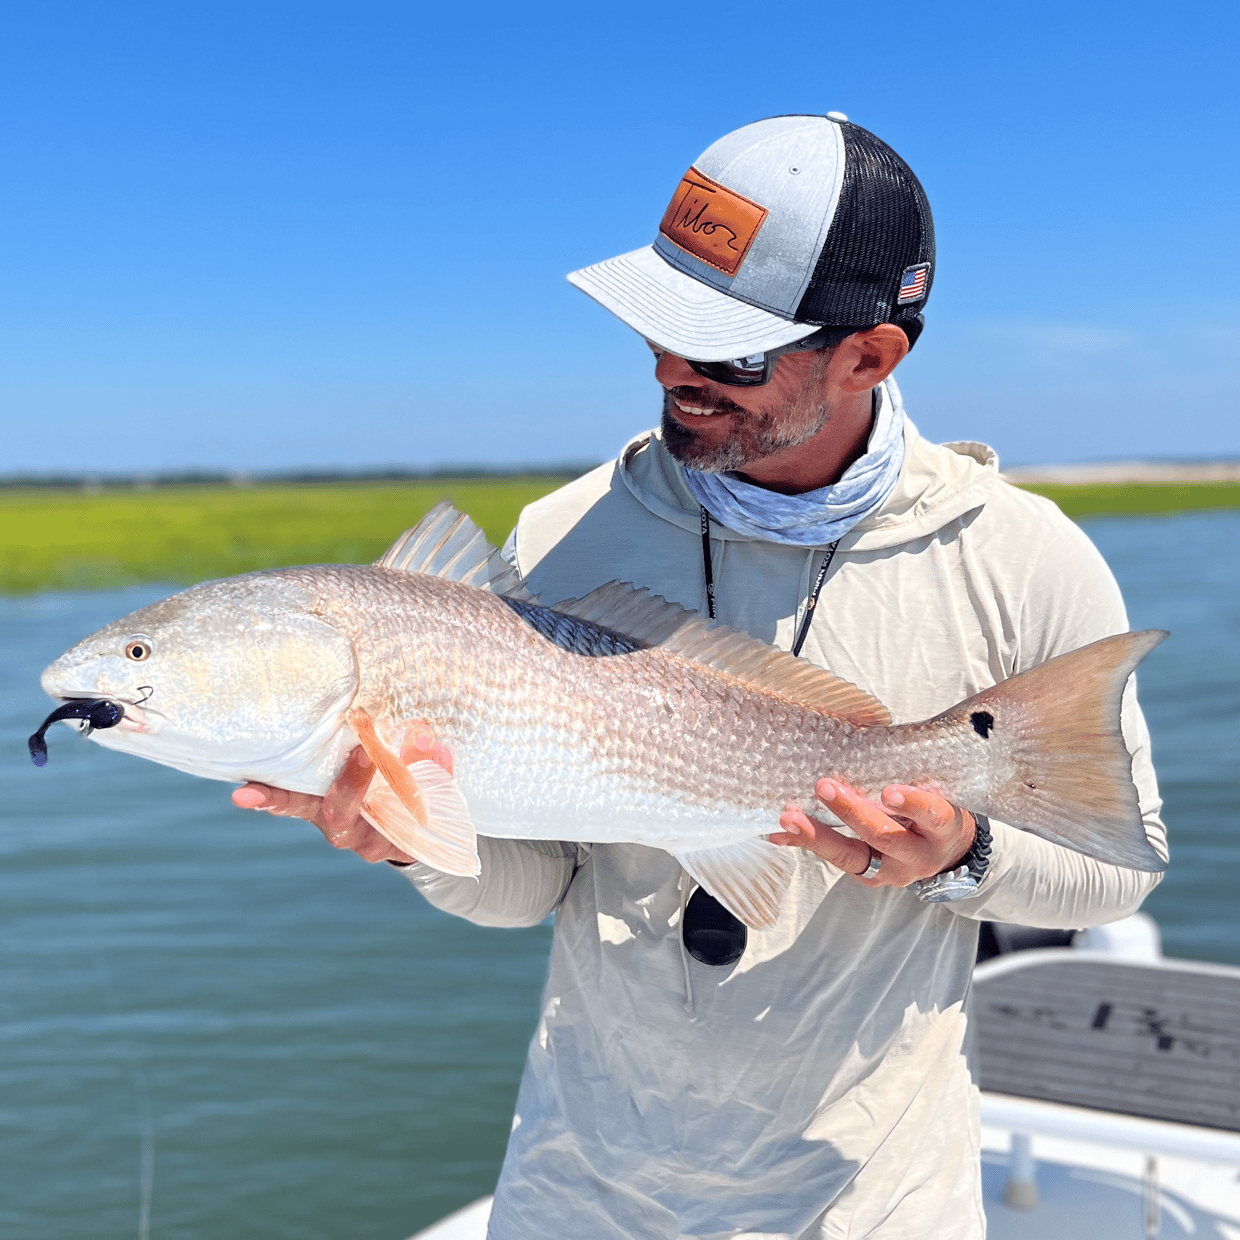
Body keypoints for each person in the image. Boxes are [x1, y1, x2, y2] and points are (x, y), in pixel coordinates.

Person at [233, 115, 1166, 1239]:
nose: (676, 372)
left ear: (869, 355)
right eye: (659, 329)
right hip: (578, 1183)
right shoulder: (565, 531)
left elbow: (1116, 874)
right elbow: (533, 885)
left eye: (731, 352)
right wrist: (409, 836)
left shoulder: (1022, 560)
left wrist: (961, 857)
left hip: (870, 1196)